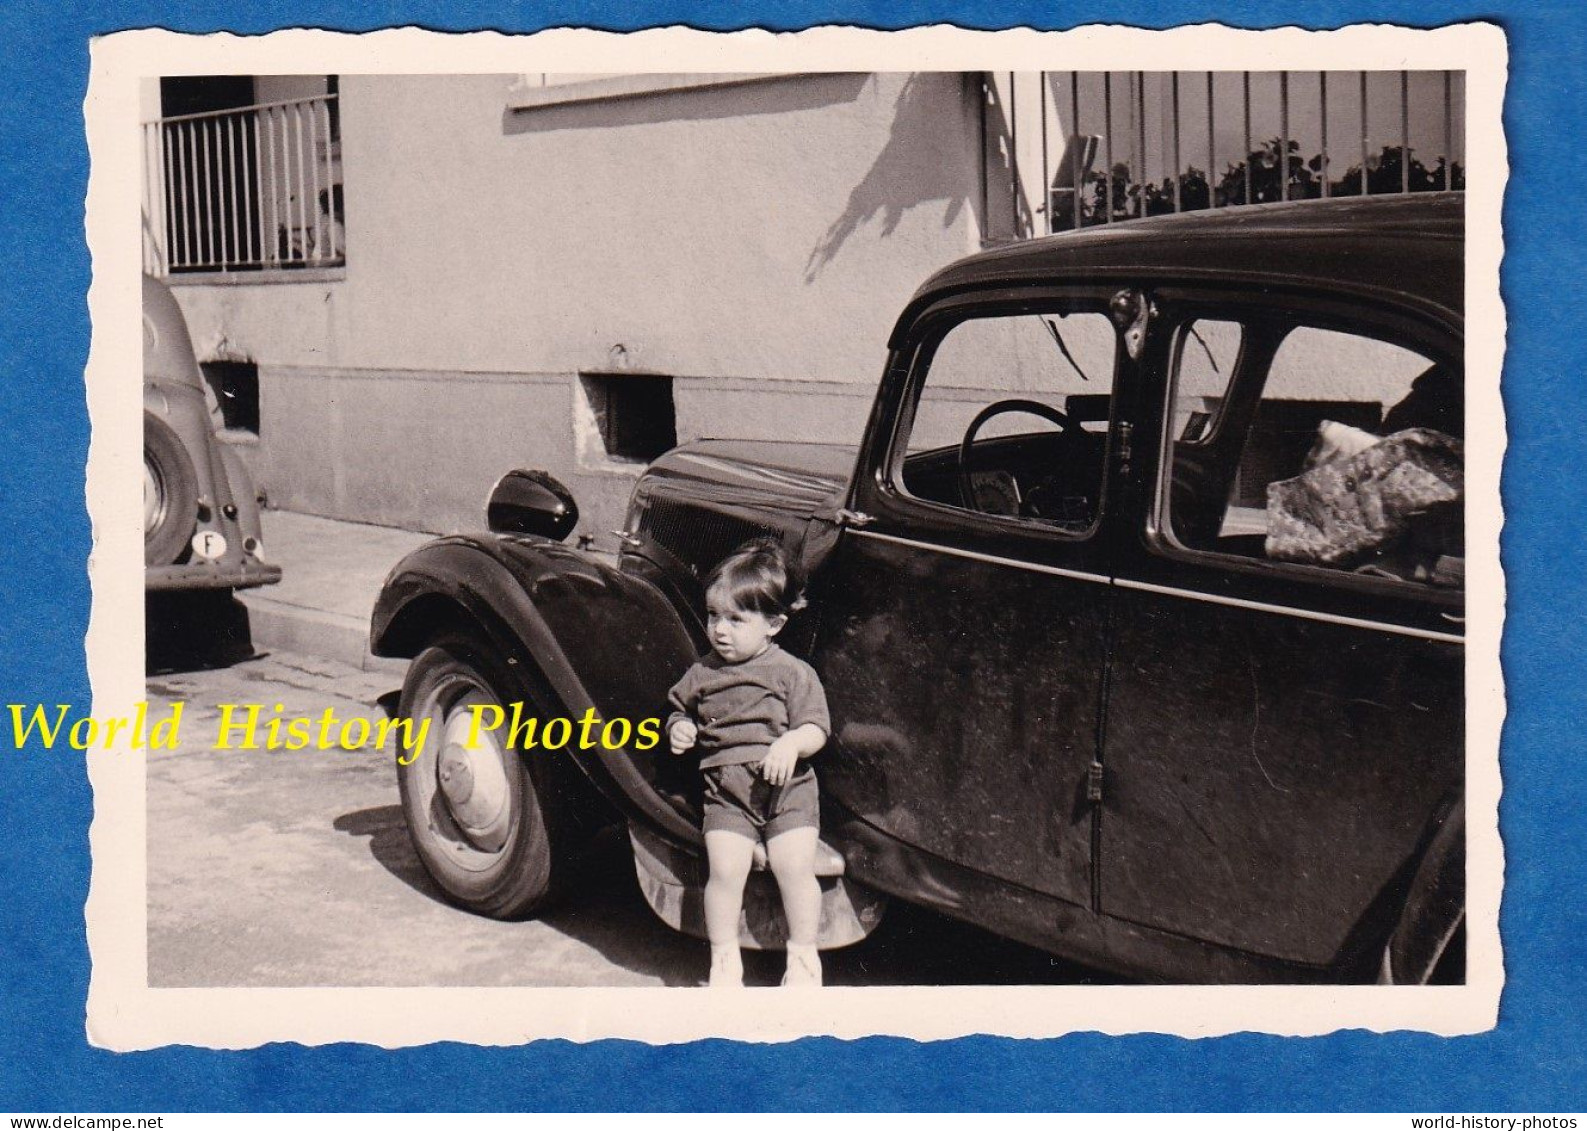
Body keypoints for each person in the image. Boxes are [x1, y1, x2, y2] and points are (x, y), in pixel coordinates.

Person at [666, 538, 830, 988]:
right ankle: (724, 960)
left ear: (774, 624)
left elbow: (817, 728)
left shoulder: (792, 673)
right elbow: (678, 710)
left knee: (795, 867)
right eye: (714, 616)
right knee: (724, 872)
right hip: (727, 796)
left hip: (787, 791)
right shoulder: (702, 673)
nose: (720, 629)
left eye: (736, 620)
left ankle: (802, 958)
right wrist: (679, 728)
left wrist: (792, 743)